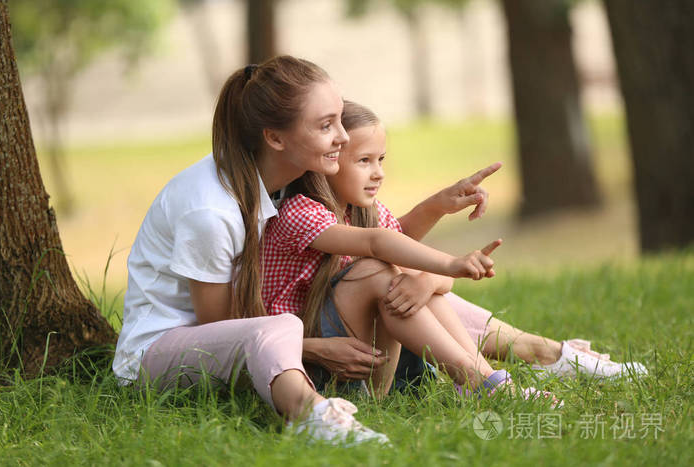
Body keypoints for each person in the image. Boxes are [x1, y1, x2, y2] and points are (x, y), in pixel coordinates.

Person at [262, 101, 645, 398]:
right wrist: (449, 266)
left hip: (375, 356)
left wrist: (435, 217)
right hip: (321, 366)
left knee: (403, 275)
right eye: (364, 161)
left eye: (380, 160)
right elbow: (379, 244)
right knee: (383, 273)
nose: (378, 172)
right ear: (326, 163)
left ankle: (503, 374)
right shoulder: (299, 211)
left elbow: (397, 245)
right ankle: (497, 376)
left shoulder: (360, 210)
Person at [112, 56, 392, 445]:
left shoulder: (285, 180)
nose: (343, 137)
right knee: (283, 325)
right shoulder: (211, 211)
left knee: (389, 280)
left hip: (251, 335)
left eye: (340, 119)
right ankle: (315, 415)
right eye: (326, 125)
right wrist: (313, 349)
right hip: (157, 355)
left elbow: (375, 243)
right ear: (275, 139)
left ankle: (492, 367)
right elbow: (220, 326)